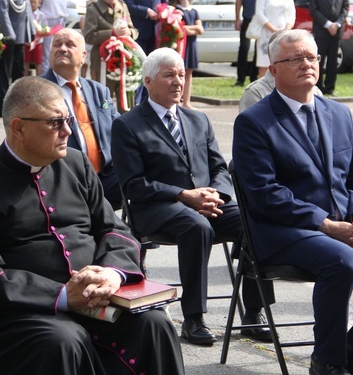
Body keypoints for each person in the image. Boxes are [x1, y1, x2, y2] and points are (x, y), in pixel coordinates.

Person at [0, 76, 186, 375]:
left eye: (68, 120)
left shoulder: (75, 163)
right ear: (18, 128)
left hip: (100, 300)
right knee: (64, 342)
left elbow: (114, 229)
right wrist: (61, 297)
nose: (68, 131)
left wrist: (112, 274)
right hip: (22, 315)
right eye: (56, 122)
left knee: (155, 324)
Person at [233, 29, 353, 375]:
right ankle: (327, 360)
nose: (306, 64)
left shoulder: (338, 113)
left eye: (311, 57)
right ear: (273, 69)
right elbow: (265, 194)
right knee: (342, 260)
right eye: (295, 59)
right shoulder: (255, 121)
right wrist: (326, 224)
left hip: (343, 226)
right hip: (282, 231)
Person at [111, 48, 272, 346]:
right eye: (169, 75)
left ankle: (254, 311)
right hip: (158, 208)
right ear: (148, 81)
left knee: (254, 219)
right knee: (196, 227)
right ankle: (194, 317)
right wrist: (185, 195)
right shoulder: (128, 124)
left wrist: (216, 194)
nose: (178, 81)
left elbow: (219, 168)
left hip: (207, 204)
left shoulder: (198, 119)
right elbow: (134, 184)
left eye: (182, 75)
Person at [42, 28, 122, 210]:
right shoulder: (39, 91)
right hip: (64, 178)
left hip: (105, 177)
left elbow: (120, 129)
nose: (62, 49)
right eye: (57, 45)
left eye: (70, 45)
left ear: (84, 55)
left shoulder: (99, 91)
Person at [83, 0, 138, 85]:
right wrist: (112, 33)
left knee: (123, 94)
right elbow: (89, 37)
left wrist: (129, 32)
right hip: (102, 58)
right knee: (103, 94)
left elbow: (134, 30)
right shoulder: (93, 9)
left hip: (123, 56)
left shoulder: (122, 6)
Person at [309, 0, 349, 95]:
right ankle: (318, 87)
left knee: (333, 60)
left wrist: (337, 24)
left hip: (336, 31)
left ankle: (330, 88)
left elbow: (345, 7)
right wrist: (327, 24)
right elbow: (313, 9)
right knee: (319, 59)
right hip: (321, 30)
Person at [253, 0, 295, 78]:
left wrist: (285, 31)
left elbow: (291, 15)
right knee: (264, 66)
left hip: (283, 35)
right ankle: (261, 92)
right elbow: (259, 14)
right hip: (267, 34)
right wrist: (274, 30)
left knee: (283, 64)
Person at [234, 0, 269, 86]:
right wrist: (237, 18)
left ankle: (254, 78)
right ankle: (240, 78)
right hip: (248, 17)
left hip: (264, 20)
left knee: (259, 49)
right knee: (244, 47)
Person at [35, 0, 70, 73]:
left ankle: (57, 76)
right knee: (47, 52)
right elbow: (36, 2)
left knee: (60, 51)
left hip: (61, 22)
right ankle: (45, 79)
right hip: (47, 22)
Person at [176, 0, 203, 109]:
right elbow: (179, 29)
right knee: (179, 72)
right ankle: (178, 100)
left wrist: (189, 29)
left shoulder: (194, 11)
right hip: (181, 44)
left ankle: (187, 101)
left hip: (191, 43)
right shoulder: (177, 10)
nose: (184, 0)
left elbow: (200, 29)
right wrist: (193, 30)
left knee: (189, 72)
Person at [23, 0, 44, 77]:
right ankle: (24, 78)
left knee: (38, 61)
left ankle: (39, 79)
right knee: (25, 61)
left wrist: (37, 38)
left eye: (35, 2)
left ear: (39, 3)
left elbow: (44, 28)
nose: (32, 4)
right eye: (31, 2)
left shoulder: (41, 15)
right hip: (27, 42)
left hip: (37, 43)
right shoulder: (25, 13)